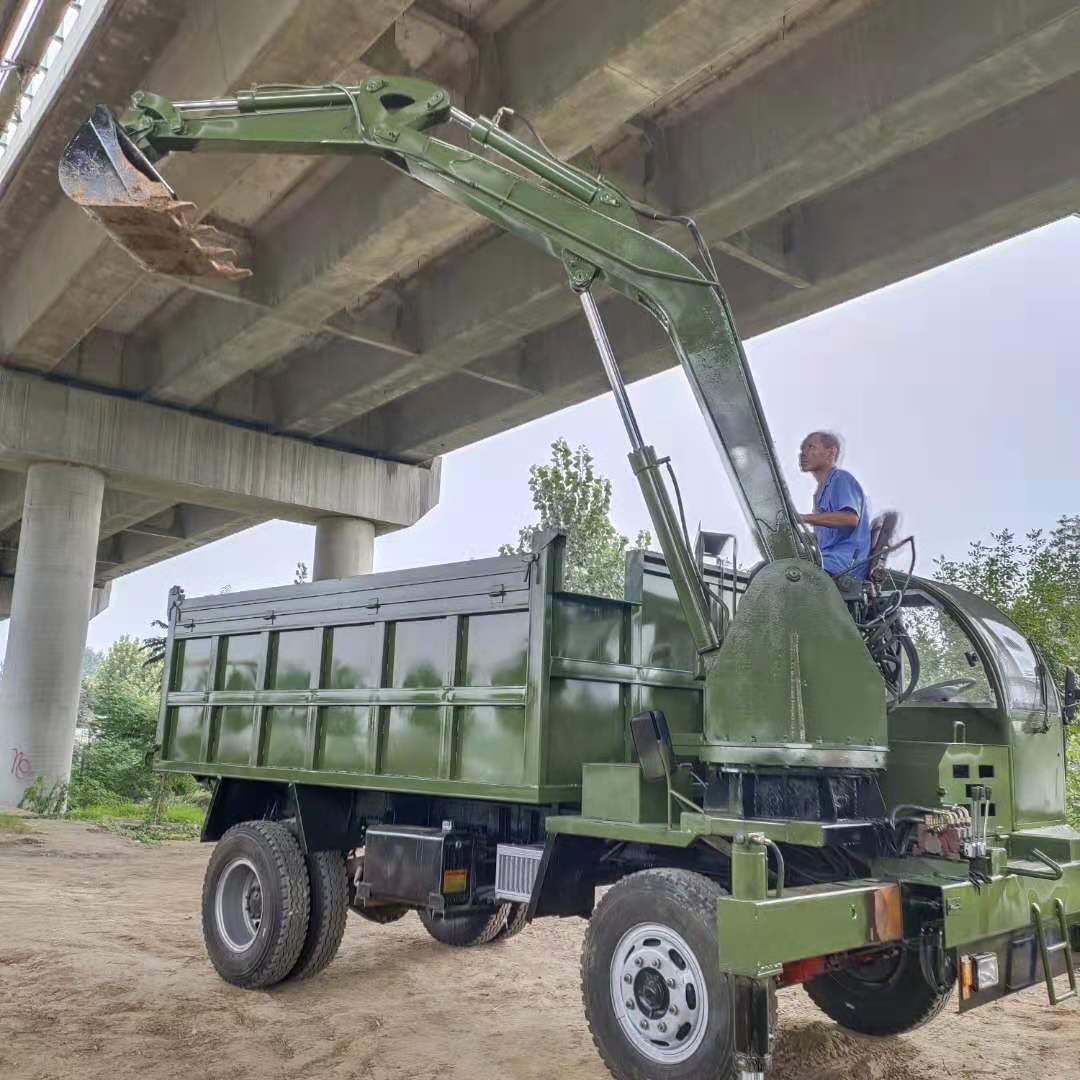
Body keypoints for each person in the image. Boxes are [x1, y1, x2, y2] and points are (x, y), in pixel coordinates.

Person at [798, 430, 870, 577]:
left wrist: (801, 518)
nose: (803, 453)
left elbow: (850, 519)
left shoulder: (840, 479)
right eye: (802, 449)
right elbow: (825, 539)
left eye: (811, 447)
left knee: (789, 572)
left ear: (831, 452)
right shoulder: (819, 495)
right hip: (828, 560)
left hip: (845, 564)